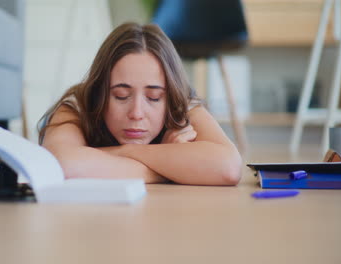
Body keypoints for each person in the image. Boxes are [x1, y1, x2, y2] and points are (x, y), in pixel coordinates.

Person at [39, 22, 242, 185]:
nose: (136, 113)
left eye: (153, 97)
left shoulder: (180, 105)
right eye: (120, 95)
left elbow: (229, 167)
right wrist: (172, 167)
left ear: (169, 95)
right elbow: (60, 165)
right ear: (100, 92)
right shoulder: (78, 105)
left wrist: (124, 152)